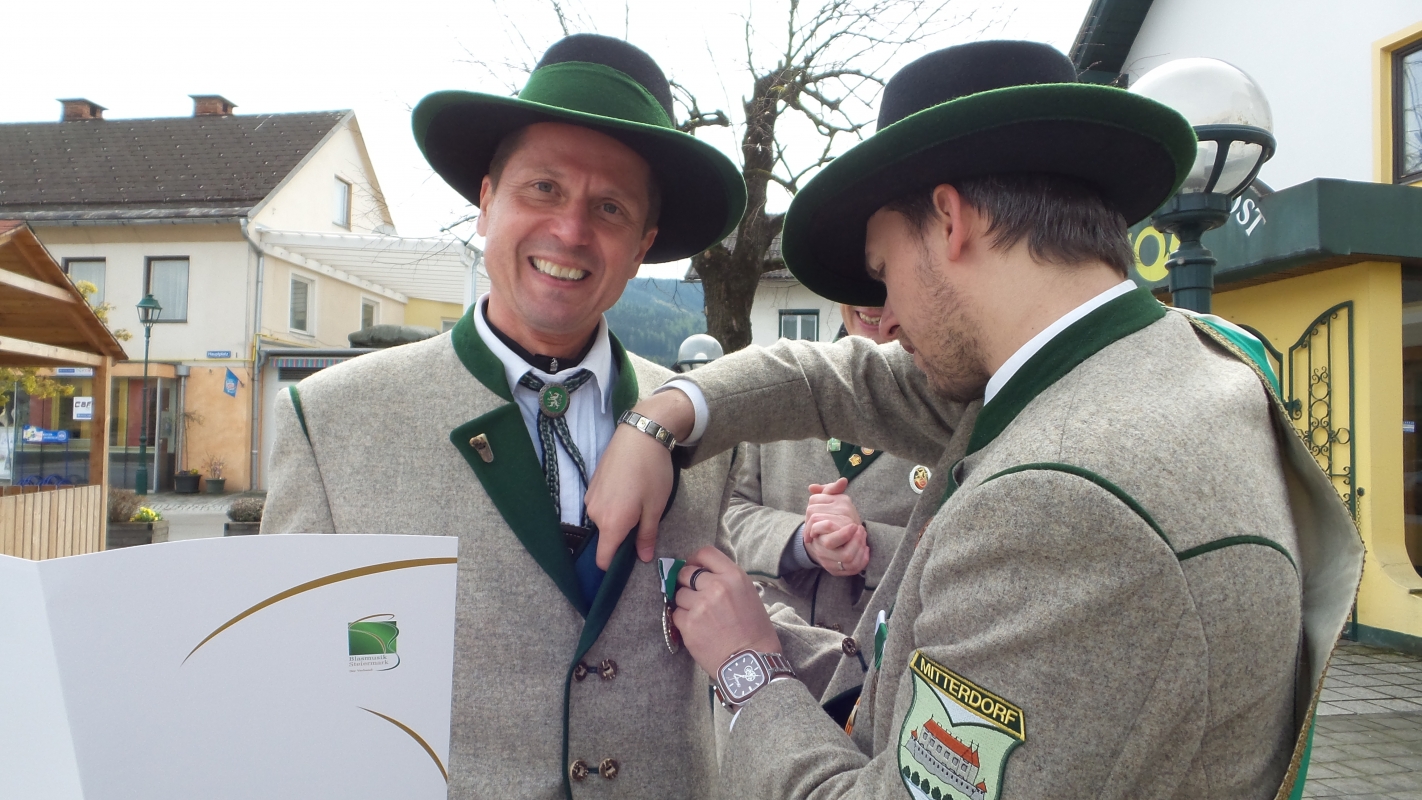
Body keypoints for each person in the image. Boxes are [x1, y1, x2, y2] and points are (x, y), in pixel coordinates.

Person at [585, 40, 1363, 799]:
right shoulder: (1152, 365)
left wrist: (748, 665)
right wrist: (663, 414)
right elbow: (837, 378)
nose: (886, 320)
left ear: (951, 220)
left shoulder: (1064, 501)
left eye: (885, 272)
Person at [261, 34, 747, 798]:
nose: (570, 230)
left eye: (610, 208)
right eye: (543, 189)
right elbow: (292, 671)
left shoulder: (707, 426)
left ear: (643, 246)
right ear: (487, 203)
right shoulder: (329, 422)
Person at [721, 304, 933, 637]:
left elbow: (969, 549)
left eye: (883, 281)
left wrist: (868, 544)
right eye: (853, 281)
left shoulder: (955, 409)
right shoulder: (781, 390)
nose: (869, 302)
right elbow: (727, 514)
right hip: (772, 646)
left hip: (891, 659)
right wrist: (800, 541)